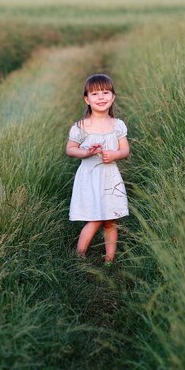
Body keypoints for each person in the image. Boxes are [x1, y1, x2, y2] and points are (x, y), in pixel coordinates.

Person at [66, 73, 130, 264]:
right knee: (94, 219)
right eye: (95, 94)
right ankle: (79, 258)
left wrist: (115, 155)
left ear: (113, 97)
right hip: (90, 177)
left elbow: (125, 149)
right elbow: (70, 149)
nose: (101, 97)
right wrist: (85, 153)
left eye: (105, 92)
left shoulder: (117, 125)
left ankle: (110, 260)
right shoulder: (81, 126)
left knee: (110, 219)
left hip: (110, 177)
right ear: (87, 99)